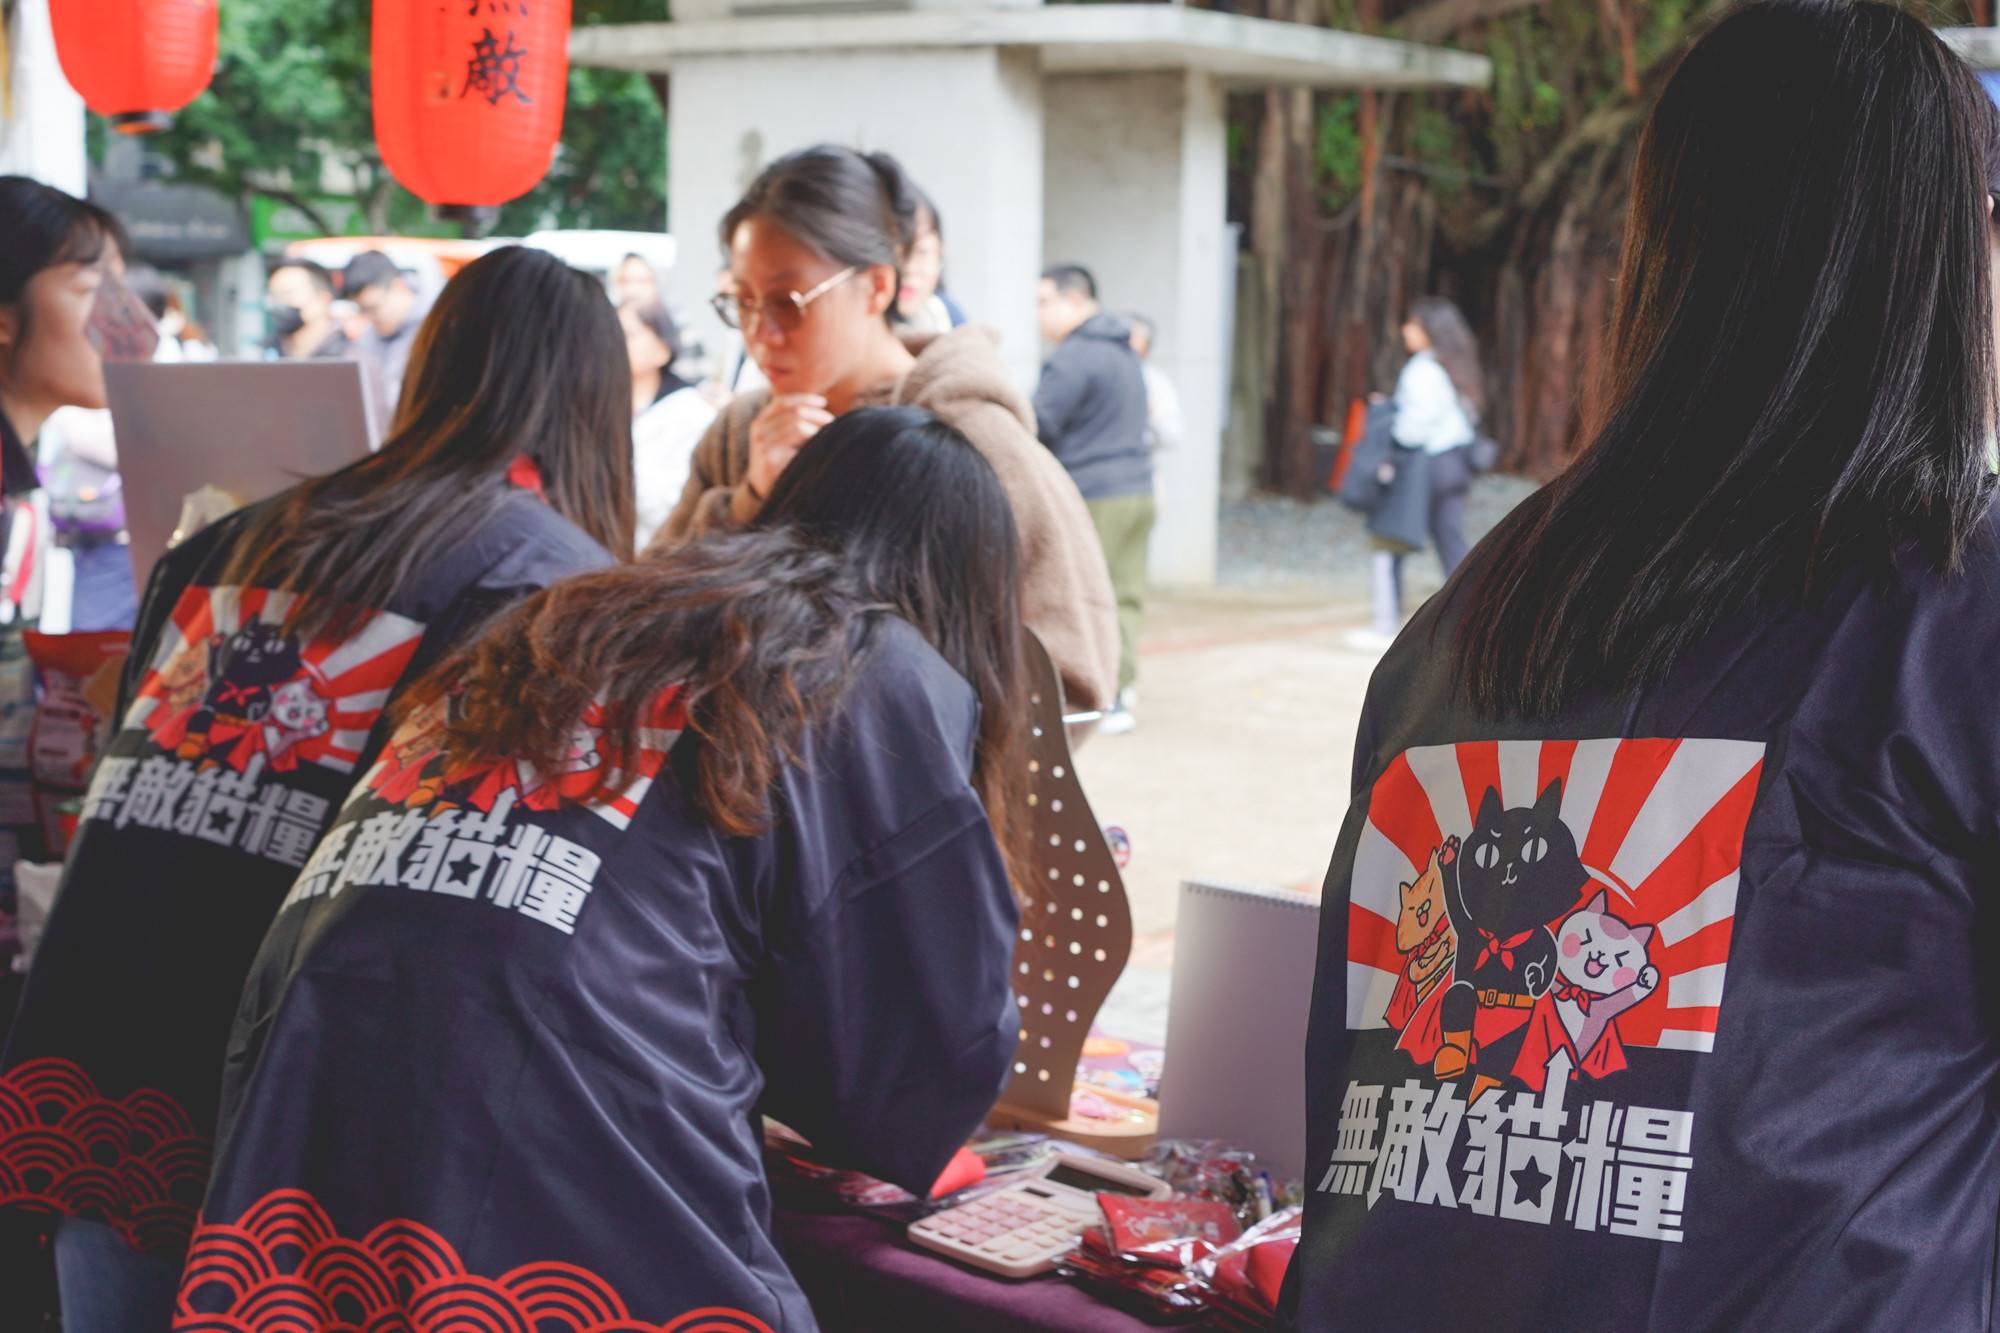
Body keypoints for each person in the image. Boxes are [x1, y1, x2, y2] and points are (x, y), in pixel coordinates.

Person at [1283, 4, 2000, 1328]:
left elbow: (1350, 1088)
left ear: (1656, 250)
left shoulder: (1472, 609)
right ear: (1951, 256)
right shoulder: (1959, 602)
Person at [183, 407, 1026, 1331]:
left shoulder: (595, 600)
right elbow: (911, 1065)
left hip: (312, 1065)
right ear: (968, 583)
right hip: (550, 1105)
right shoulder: (871, 661)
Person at [0, 245, 632, 1331]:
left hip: (110, 1056)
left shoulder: (232, 535)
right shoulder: (545, 582)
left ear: (426, 366)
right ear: (594, 401)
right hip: (308, 1118)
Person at [663, 143, 1118, 715]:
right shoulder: (740, 434)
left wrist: (930, 757)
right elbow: (649, 609)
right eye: (743, 302)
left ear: (878, 286)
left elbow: (1074, 672)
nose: (761, 333)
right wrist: (747, 501)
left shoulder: (971, 436)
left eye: (788, 302)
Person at [1035, 263, 1152, 731]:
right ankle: (1120, 690)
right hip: (1137, 489)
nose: (1038, 314)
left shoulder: (1074, 356)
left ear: (1075, 300)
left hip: (1095, 495)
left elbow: (1040, 423)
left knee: (1089, 599)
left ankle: (1100, 696)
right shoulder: (1125, 351)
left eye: (1044, 302)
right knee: (1125, 595)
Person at [1353, 295, 1485, 648]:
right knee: (1451, 544)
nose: (1405, 330)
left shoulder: (1422, 370)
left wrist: (1391, 425)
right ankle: (1473, 624)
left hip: (1424, 465)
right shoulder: (1453, 367)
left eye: (1412, 324)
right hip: (1454, 464)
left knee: (1388, 540)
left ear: (1429, 330)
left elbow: (1415, 426)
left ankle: (1385, 625)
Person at [620, 296, 718, 547]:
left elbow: (677, 502)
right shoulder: (599, 404)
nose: (614, 344)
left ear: (662, 348)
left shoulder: (690, 412)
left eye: (628, 335)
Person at [341, 249, 427, 421]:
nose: (369, 317)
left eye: (373, 308)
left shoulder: (433, 329)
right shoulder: (367, 339)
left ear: (398, 286)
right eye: (362, 310)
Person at [896, 189, 968, 333]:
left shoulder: (949, 319)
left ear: (940, 255)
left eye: (922, 252)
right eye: (897, 254)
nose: (909, 268)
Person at [264, 258, 348, 361]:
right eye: (272, 295)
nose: (276, 303)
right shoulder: (264, 353)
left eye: (287, 293)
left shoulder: (352, 352)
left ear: (323, 300)